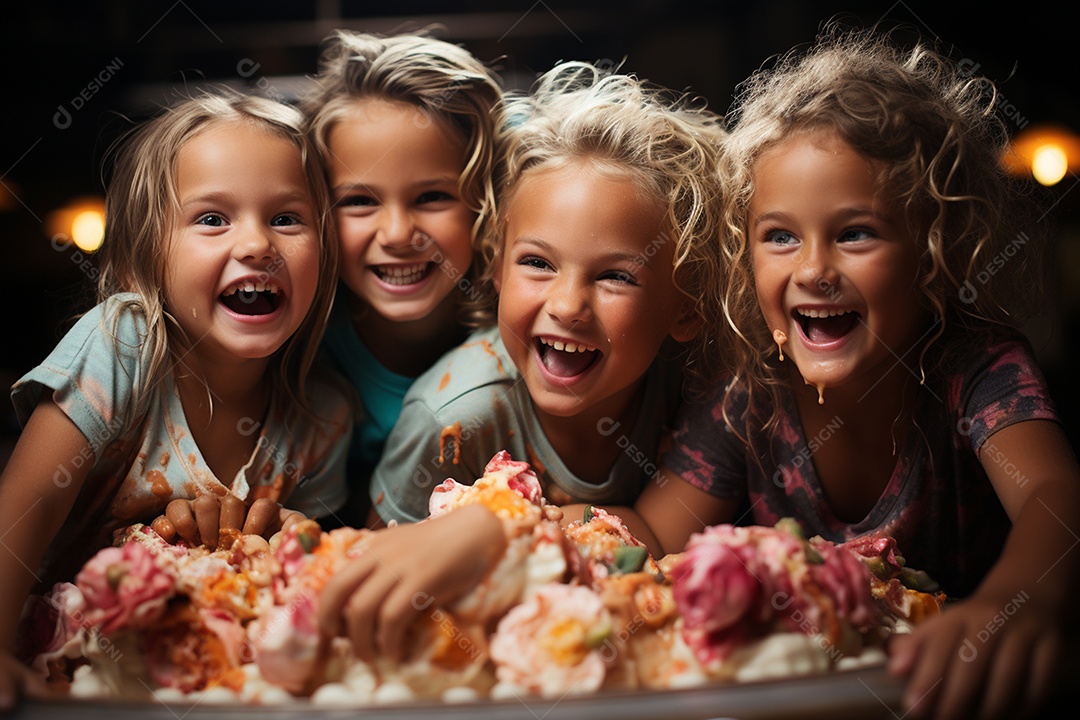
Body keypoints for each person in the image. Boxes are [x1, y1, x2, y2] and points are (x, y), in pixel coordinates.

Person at [628, 28, 1079, 719]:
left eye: (855, 233)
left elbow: (1052, 494)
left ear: (934, 250)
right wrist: (524, 529)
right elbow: (651, 538)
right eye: (780, 236)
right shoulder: (749, 392)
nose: (812, 270)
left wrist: (1016, 604)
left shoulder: (975, 367)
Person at [317, 60, 726, 660]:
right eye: (537, 263)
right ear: (495, 264)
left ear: (685, 309)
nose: (567, 305)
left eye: (615, 275)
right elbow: (380, 582)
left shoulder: (697, 389)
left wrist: (508, 524)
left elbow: (663, 536)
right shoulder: (452, 418)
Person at [0, 91, 352, 708]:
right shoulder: (123, 344)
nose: (256, 244)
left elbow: (289, 592)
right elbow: (22, 512)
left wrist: (296, 541)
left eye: (287, 218)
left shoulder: (323, 416)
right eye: (212, 219)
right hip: (62, 674)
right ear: (147, 259)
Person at [301, 30, 502, 526]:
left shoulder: (521, 329)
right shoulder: (300, 342)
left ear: (485, 202)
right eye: (360, 201)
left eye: (432, 197)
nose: (396, 233)